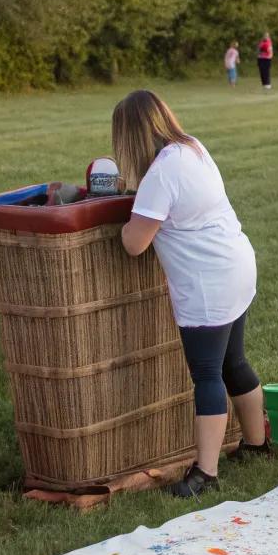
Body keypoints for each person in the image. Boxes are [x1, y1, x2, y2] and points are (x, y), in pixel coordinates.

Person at [112, 91, 267, 499]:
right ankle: (257, 444)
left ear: (129, 137)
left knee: (207, 374)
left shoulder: (159, 175)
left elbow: (134, 243)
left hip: (207, 286)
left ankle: (206, 473)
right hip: (236, 264)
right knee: (235, 361)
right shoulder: (192, 148)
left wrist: (124, 222)